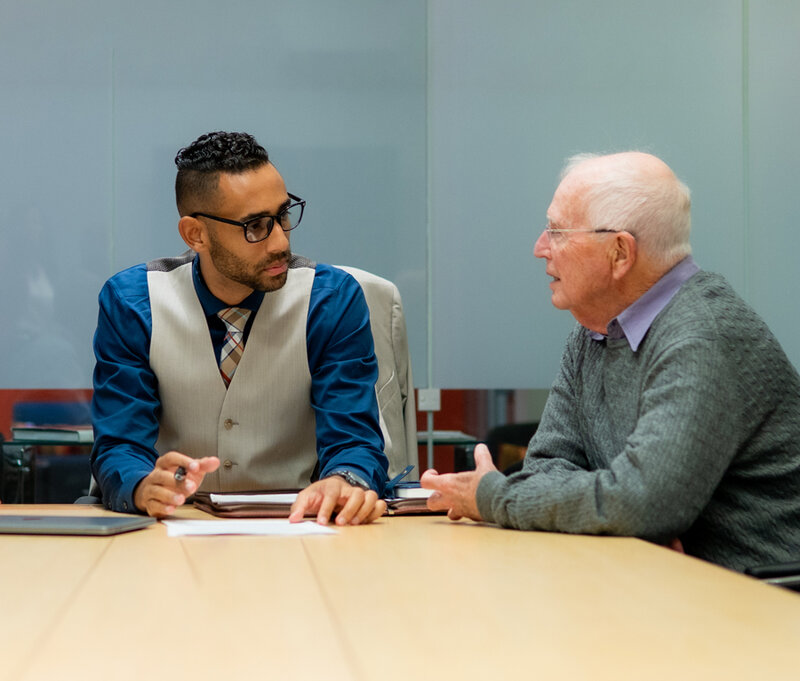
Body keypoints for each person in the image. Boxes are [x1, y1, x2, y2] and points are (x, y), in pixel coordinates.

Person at [422, 151, 800, 571]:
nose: (540, 248)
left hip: (759, 602)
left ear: (620, 252)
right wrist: (620, 515)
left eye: (557, 232)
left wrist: (492, 496)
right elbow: (547, 467)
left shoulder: (701, 335)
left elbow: (643, 503)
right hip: (656, 582)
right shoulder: (594, 330)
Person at [91, 131, 388, 524]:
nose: (280, 241)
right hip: (174, 529)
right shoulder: (132, 302)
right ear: (195, 234)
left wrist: (346, 480)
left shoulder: (331, 301)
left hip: (298, 528)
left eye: (283, 215)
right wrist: (142, 485)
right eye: (255, 226)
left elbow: (353, 439)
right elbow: (119, 442)